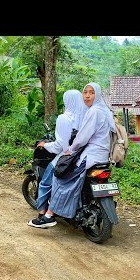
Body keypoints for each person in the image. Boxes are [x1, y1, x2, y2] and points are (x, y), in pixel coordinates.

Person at [27, 82, 115, 228]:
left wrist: (71, 150)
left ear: (97, 95)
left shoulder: (93, 112)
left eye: (91, 93)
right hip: (103, 156)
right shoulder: (104, 111)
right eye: (85, 92)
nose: (87, 96)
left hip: (90, 156)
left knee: (62, 179)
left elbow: (82, 138)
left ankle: (48, 215)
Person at [27, 90, 87, 227]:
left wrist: (45, 145)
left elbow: (60, 146)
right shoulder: (87, 116)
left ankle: (43, 214)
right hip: (84, 157)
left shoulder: (64, 118)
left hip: (66, 158)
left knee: (45, 183)